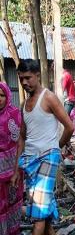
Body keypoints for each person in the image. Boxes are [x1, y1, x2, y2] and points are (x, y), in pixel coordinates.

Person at [16, 59, 74, 235]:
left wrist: (55, 148)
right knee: (44, 211)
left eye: (28, 78)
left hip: (48, 157)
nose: (25, 82)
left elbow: (70, 127)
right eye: (21, 79)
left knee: (39, 215)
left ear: (37, 75)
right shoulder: (23, 105)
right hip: (30, 161)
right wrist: (15, 168)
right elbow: (22, 138)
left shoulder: (48, 97)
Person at [0, 82, 24, 235]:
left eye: (1, 95)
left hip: (13, 170)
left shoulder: (15, 114)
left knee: (11, 203)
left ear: (7, 96)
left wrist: (15, 170)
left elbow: (20, 142)